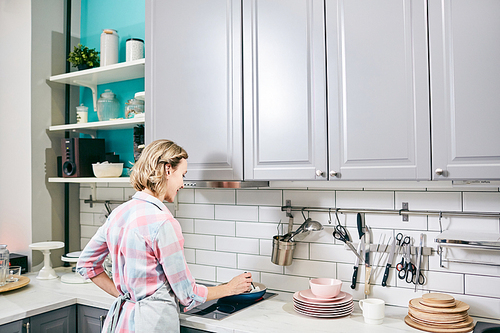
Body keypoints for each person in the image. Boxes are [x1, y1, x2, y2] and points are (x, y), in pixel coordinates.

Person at [76, 139, 252, 333]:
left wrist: (127, 295)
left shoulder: (118, 214)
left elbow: (86, 264)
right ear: (168, 170)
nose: (183, 184)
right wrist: (230, 288)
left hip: (122, 321)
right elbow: (188, 294)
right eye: (182, 175)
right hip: (152, 323)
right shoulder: (163, 223)